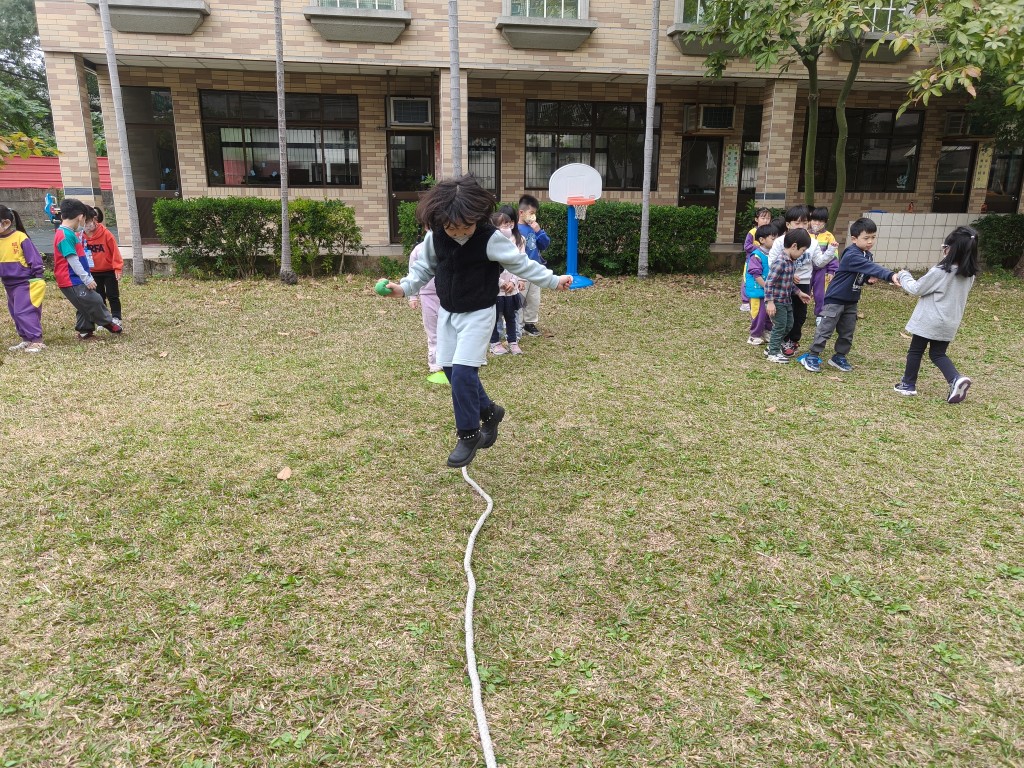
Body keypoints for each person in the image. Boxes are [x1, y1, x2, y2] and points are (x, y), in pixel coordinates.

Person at [379, 176, 572, 468]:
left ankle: (469, 434)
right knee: (448, 369)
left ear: (478, 217)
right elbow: (422, 269)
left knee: (463, 373)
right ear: (439, 220)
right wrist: (404, 288)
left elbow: (522, 264)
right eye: (451, 227)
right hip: (448, 312)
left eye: (466, 226)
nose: (458, 232)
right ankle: (491, 412)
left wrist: (554, 280)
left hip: (479, 313)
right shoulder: (435, 238)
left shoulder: (491, 239)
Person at [799, 217, 899, 373]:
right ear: (854, 239)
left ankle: (839, 356)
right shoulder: (852, 254)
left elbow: (862, 273)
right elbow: (869, 266)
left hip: (851, 300)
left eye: (873, 237)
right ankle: (812, 356)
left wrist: (867, 279)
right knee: (825, 329)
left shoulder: (867, 255)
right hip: (835, 299)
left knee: (847, 331)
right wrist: (890, 275)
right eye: (866, 238)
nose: (870, 241)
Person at [893, 226, 979, 403]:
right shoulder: (969, 275)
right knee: (938, 354)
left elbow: (916, 289)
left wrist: (904, 275)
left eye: (944, 247)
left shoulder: (941, 271)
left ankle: (908, 384)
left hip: (929, 320)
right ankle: (955, 379)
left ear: (950, 249)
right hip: (950, 321)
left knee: (916, 351)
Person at [766, 204, 833, 356]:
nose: (802, 226)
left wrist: (830, 252)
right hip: (783, 284)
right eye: (797, 223)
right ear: (788, 224)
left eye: (805, 223)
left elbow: (819, 262)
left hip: (803, 284)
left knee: (799, 315)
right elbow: (772, 262)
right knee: (783, 313)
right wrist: (789, 275)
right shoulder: (780, 241)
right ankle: (780, 341)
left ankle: (792, 340)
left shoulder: (812, 242)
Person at [53, 198, 121, 340]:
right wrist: (86, 278)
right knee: (94, 300)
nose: (85, 224)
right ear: (80, 217)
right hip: (71, 279)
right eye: (85, 220)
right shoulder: (64, 235)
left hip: (77, 277)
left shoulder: (69, 233)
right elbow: (72, 260)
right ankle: (107, 322)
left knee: (83, 304)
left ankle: (85, 331)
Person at [0, 205, 47, 353]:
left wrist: (38, 276)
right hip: (8, 283)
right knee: (15, 312)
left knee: (24, 311)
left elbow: (34, 258)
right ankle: (26, 339)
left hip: (25, 282)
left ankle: (37, 340)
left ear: (6, 223)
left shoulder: (20, 237)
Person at [763, 229, 811, 363]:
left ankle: (772, 346)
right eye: (802, 250)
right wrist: (770, 302)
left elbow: (788, 282)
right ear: (794, 246)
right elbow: (769, 283)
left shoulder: (791, 261)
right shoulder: (780, 262)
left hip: (786, 300)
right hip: (777, 302)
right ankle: (773, 353)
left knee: (788, 325)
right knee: (780, 326)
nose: (802, 254)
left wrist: (799, 292)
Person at [406, 237, 445, 382]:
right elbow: (412, 274)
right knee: (432, 331)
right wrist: (413, 297)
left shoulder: (448, 245)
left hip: (448, 294)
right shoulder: (418, 250)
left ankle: (449, 360)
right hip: (427, 295)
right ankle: (434, 362)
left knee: (449, 329)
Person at [490, 206, 525, 356]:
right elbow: (488, 268)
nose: (508, 226)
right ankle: (494, 343)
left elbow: (520, 263)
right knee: (494, 317)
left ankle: (513, 342)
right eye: (504, 224)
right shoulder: (491, 243)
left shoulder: (518, 240)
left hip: (512, 288)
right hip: (496, 289)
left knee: (511, 316)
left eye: (510, 223)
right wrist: (500, 282)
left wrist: (514, 281)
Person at [517, 193, 551, 337]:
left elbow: (544, 244)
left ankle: (529, 323)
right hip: (521, 270)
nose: (533, 216)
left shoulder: (534, 228)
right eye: (531, 213)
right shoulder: (515, 229)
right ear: (521, 213)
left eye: (534, 213)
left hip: (535, 268)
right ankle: (517, 324)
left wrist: (538, 231)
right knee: (519, 298)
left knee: (534, 298)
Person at [84, 207, 125, 326]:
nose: (87, 225)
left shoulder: (106, 234)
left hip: (108, 271)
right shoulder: (80, 236)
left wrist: (117, 268)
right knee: (99, 297)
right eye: (84, 222)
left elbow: (115, 251)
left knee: (113, 295)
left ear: (94, 219)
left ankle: (116, 317)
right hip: (93, 271)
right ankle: (104, 319)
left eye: (88, 221)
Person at [745, 222, 777, 345]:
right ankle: (754, 335)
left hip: (767, 291)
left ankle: (767, 331)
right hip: (757, 291)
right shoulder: (756, 255)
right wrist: (767, 287)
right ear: (762, 240)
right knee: (758, 314)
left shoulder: (773, 254)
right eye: (773, 238)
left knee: (769, 314)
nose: (776, 241)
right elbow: (756, 275)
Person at [808, 206, 839, 322]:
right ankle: (800, 312)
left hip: (822, 270)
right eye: (814, 220)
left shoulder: (829, 236)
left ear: (825, 222)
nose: (817, 223)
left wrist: (831, 271)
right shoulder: (805, 234)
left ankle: (820, 315)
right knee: (804, 291)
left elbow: (834, 255)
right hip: (806, 269)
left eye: (820, 221)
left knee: (820, 294)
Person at [741, 207, 772, 312]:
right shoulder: (752, 232)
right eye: (763, 218)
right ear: (756, 219)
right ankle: (745, 301)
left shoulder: (770, 231)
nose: (766, 220)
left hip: (765, 260)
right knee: (747, 279)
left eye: (768, 218)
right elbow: (747, 246)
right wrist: (759, 247)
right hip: (751, 260)